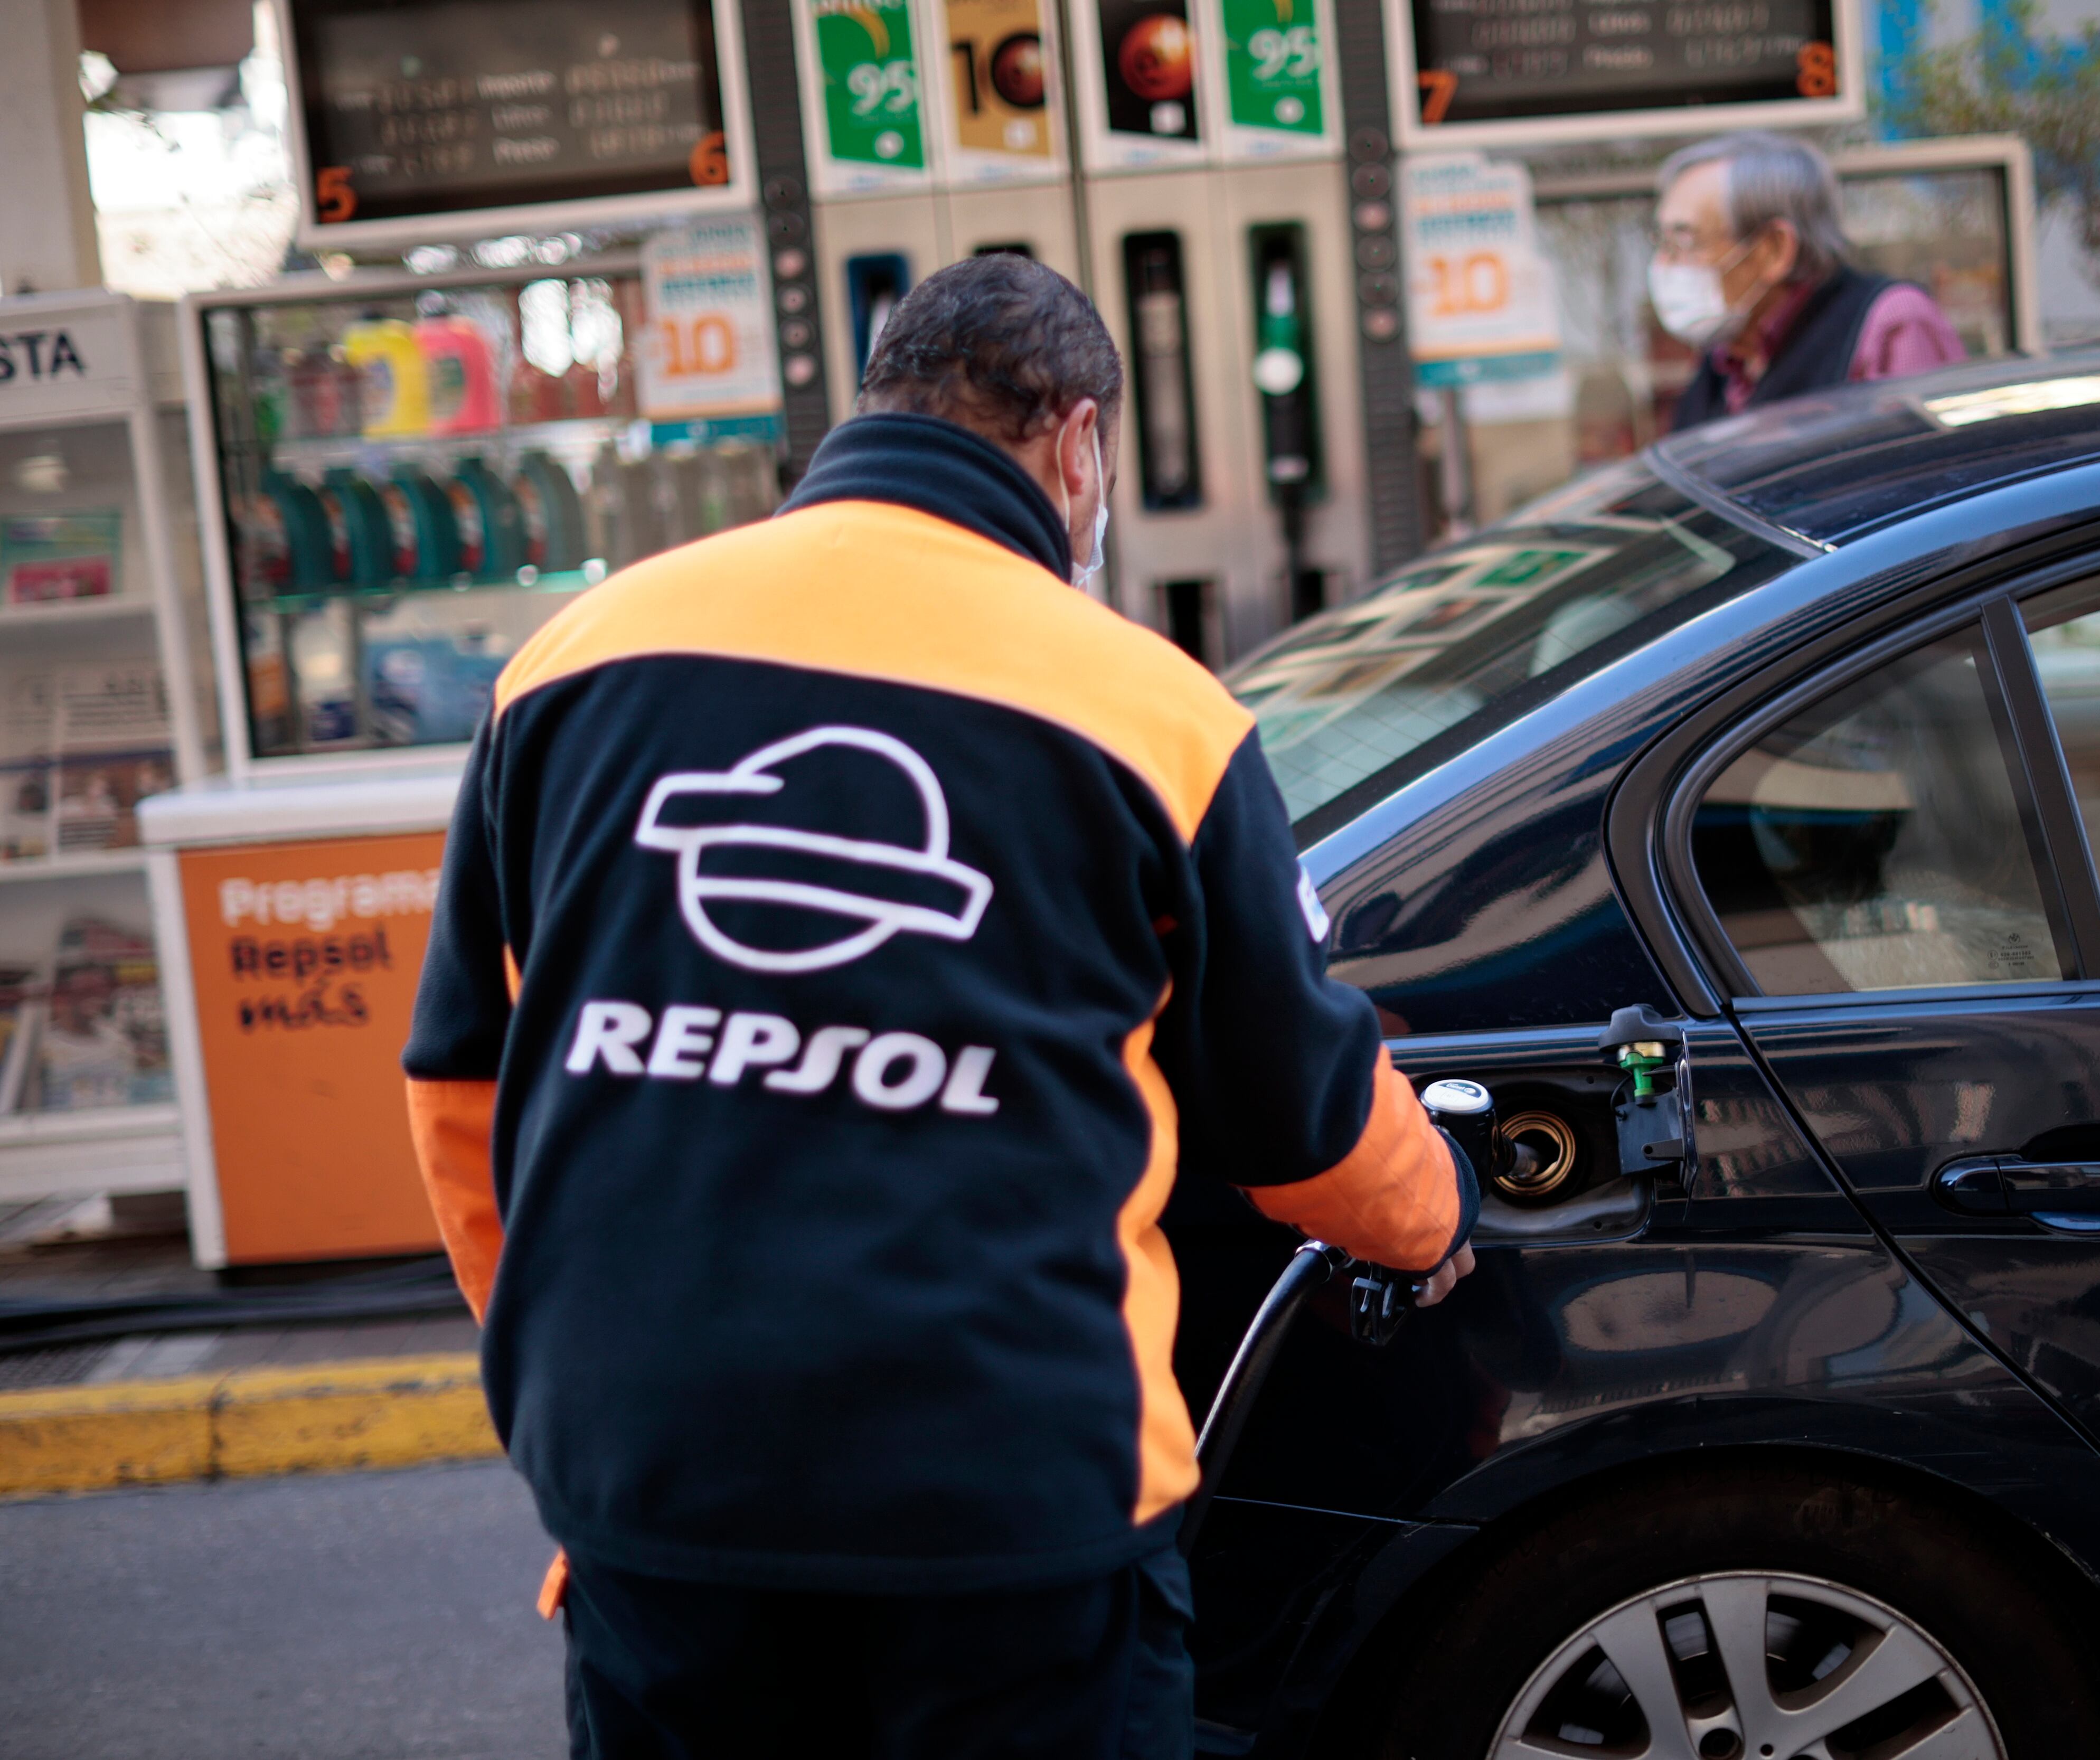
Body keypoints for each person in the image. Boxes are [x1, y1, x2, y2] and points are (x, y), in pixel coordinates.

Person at [401, 253, 1478, 1759]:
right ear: (1078, 441)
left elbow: (463, 1093)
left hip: (658, 1490)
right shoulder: (1144, 710)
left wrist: (587, 1390)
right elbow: (1300, 1116)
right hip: (1015, 1514)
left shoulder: (576, 663)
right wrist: (1432, 1211)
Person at [1653, 131, 1967, 432]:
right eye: (1662, 242)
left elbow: (1933, 475)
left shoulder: (1891, 323)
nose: (1663, 264)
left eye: (1685, 242)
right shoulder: (1726, 357)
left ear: (1774, 250)